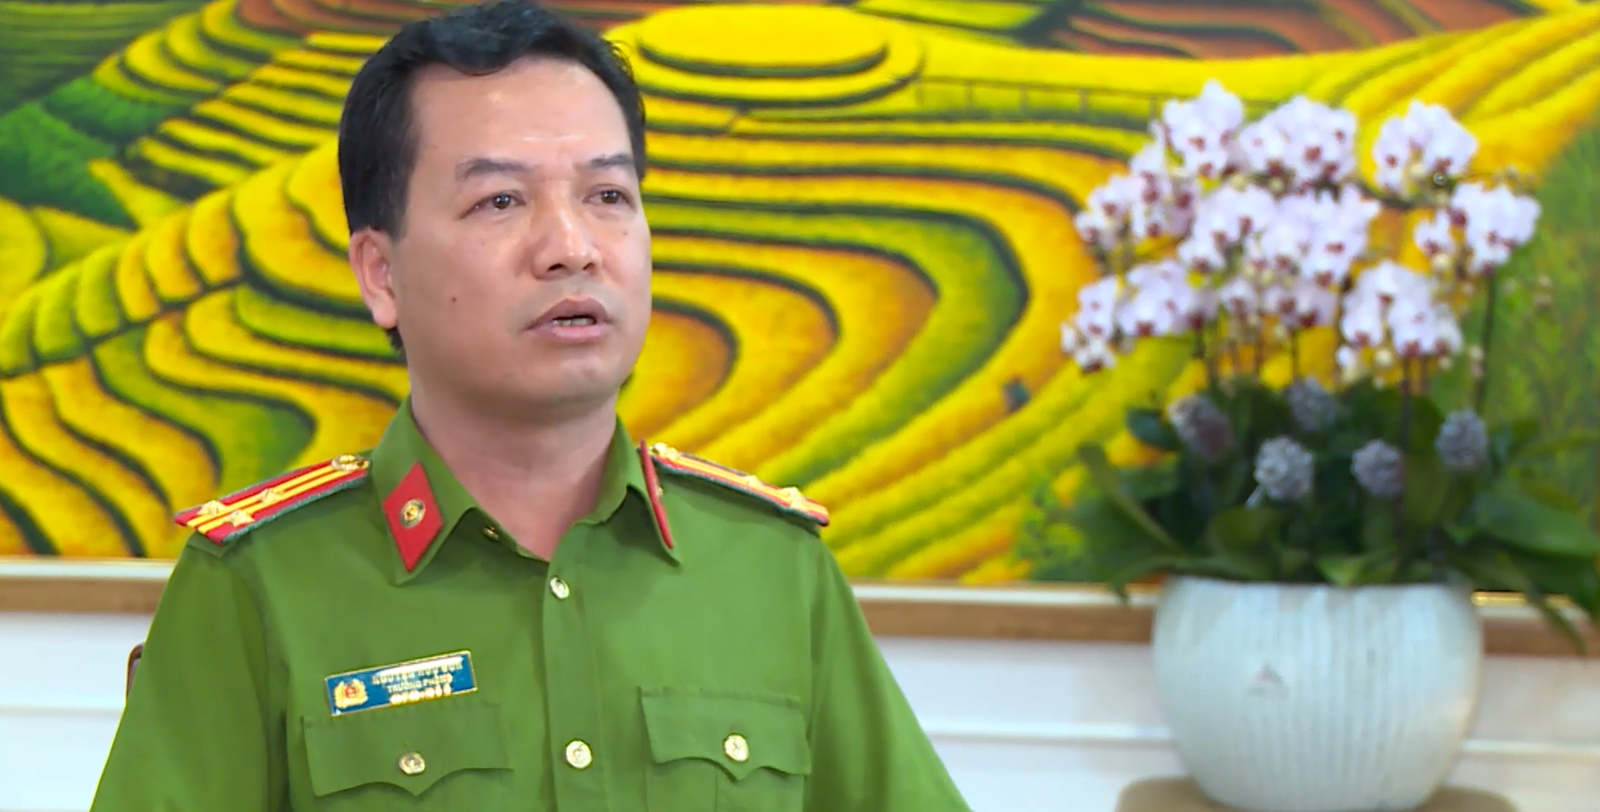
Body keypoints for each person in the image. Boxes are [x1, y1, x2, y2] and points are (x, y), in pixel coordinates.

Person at [86, 1, 975, 810]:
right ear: (381, 274)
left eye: (608, 195)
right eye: (501, 200)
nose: (571, 247)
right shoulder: (260, 585)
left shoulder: (770, 569)